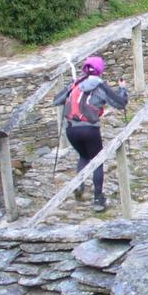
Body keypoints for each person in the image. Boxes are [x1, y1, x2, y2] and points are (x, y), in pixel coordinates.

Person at [52, 56, 129, 212]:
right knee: (97, 161)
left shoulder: (75, 84)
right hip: (90, 129)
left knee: (84, 156)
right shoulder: (100, 86)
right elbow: (120, 103)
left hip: (71, 130)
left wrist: (71, 86)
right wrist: (122, 89)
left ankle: (79, 186)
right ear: (101, 70)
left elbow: (56, 100)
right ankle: (98, 200)